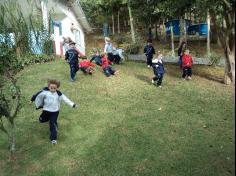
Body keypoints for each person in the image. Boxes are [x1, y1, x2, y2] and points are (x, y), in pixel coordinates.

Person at [32, 79, 76, 144]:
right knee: (42, 120)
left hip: (55, 112)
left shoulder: (59, 94)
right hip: (46, 111)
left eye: (54, 88)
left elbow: (66, 99)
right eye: (51, 88)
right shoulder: (45, 92)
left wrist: (72, 104)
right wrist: (32, 99)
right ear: (48, 87)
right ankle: (44, 119)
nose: (52, 89)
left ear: (57, 88)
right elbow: (37, 95)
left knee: (53, 124)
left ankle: (53, 139)